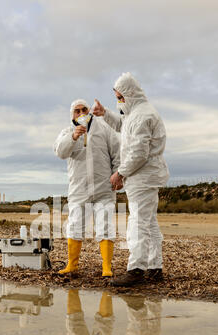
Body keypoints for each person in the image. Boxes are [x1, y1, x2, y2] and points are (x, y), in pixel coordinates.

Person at [93, 73, 169, 286]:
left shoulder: (142, 115)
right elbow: (123, 126)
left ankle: (136, 269)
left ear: (129, 94)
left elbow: (138, 153)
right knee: (149, 223)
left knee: (137, 222)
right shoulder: (137, 113)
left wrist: (120, 173)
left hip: (142, 177)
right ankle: (155, 268)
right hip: (145, 176)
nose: (119, 101)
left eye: (120, 97)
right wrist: (104, 114)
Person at [54, 99, 121, 277]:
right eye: (77, 110)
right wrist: (74, 137)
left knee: (105, 225)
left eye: (84, 109)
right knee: (75, 225)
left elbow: (116, 152)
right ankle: (72, 265)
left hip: (104, 187)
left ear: (90, 111)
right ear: (72, 115)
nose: (82, 112)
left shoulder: (104, 128)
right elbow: (60, 152)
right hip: (79, 188)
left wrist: (118, 175)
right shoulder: (67, 132)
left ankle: (106, 266)